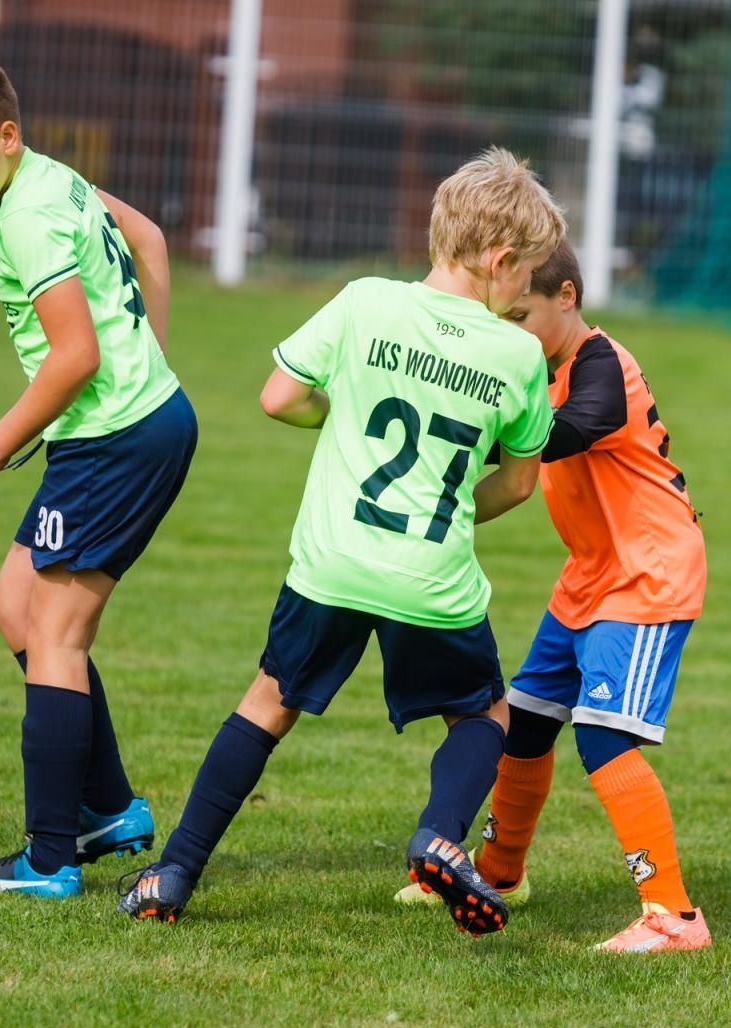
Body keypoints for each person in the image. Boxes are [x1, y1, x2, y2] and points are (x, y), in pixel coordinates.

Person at [118, 147, 565, 936]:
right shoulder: (520, 355)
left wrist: (338, 413)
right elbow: (522, 482)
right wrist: (454, 505)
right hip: (431, 576)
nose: (526, 289)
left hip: (330, 564)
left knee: (268, 702)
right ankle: (438, 836)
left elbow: (278, 396)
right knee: (485, 718)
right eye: (525, 273)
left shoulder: (364, 302)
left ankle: (175, 874)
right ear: (498, 260)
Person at [0, 55, 196, 899]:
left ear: (5, 137)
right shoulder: (51, 176)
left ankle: (50, 857)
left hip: (113, 439)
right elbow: (150, 239)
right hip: (130, 426)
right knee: (16, 607)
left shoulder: (26, 219)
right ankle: (107, 809)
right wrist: (158, 361)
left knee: (57, 635)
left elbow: (76, 355)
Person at [395, 242, 711, 953]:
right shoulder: (537, 360)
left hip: (647, 573)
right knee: (529, 721)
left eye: (521, 315)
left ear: (566, 297)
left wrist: (484, 432)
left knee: (601, 736)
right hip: (591, 574)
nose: (509, 332)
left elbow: (574, 429)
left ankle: (674, 917)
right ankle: (501, 874)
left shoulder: (600, 363)